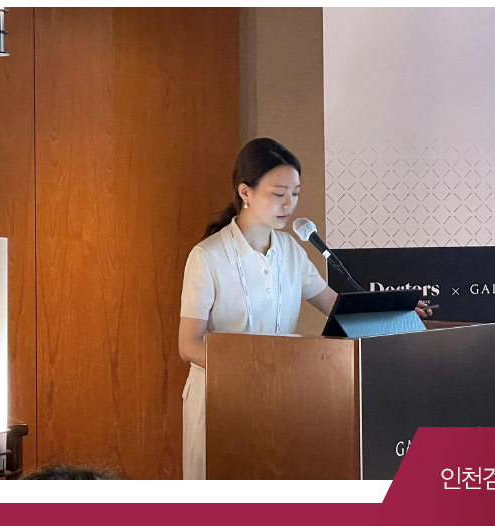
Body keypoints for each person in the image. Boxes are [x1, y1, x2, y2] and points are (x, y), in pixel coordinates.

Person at [177, 137, 432, 480]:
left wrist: (394, 312)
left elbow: (334, 306)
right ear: (245, 192)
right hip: (221, 400)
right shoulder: (207, 256)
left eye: (295, 193)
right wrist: (254, 367)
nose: (289, 204)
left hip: (280, 398)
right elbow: (188, 345)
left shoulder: (291, 251)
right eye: (278, 193)